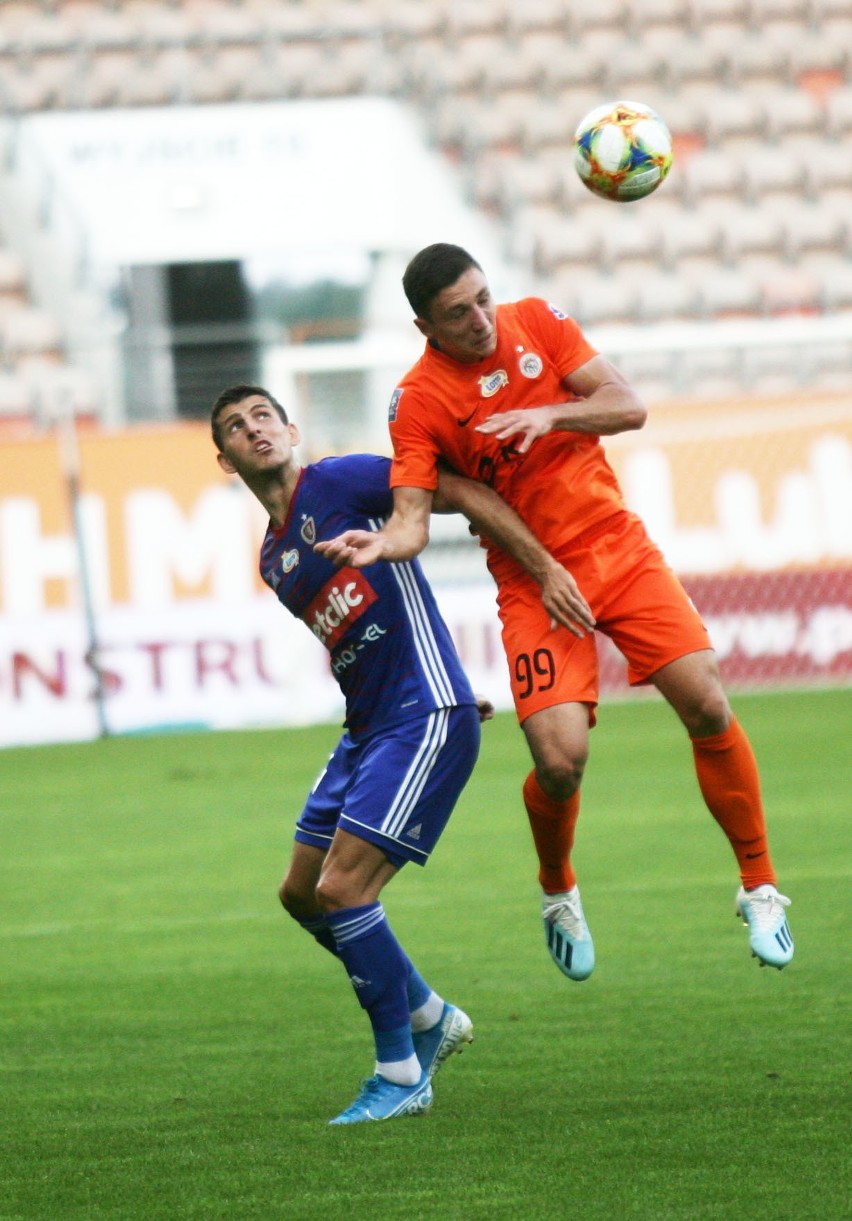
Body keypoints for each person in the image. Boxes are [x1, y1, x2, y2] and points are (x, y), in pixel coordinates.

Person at [315, 243, 795, 978]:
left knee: (706, 702)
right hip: (531, 579)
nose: (480, 319)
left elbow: (628, 405)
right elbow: (413, 516)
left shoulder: (536, 321)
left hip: (616, 547)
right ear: (424, 327)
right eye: (457, 314)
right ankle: (557, 885)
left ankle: (760, 885)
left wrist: (553, 415)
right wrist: (383, 542)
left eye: (482, 298)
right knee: (561, 761)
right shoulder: (419, 402)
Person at [210, 383, 591, 1125]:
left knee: (343, 891)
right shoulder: (274, 558)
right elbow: (368, 627)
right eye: (234, 426)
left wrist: (541, 567)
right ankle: (426, 1009)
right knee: (301, 891)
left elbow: (449, 491)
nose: (252, 429)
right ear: (223, 458)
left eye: (262, 416)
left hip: (418, 717)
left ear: (291, 428)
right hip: (366, 725)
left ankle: (400, 1073)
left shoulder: (342, 479)